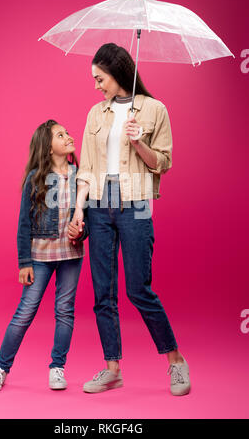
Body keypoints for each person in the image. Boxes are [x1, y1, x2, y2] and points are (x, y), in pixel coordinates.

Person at [70, 43, 191, 396]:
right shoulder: (96, 113)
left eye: (100, 78)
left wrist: (139, 143)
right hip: (98, 204)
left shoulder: (155, 110)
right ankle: (112, 369)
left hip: (136, 201)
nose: (96, 85)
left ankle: (176, 362)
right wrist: (79, 209)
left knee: (139, 289)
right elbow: (87, 168)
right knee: (102, 293)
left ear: (117, 73)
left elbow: (162, 164)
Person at [0, 120, 88, 392]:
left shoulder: (81, 176)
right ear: (47, 146)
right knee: (24, 312)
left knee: (65, 312)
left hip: (71, 255)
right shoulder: (35, 178)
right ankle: (0, 368)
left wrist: (81, 232)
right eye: (60, 135)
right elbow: (24, 224)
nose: (68, 136)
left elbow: (85, 218)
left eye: (67, 132)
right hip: (39, 257)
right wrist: (24, 262)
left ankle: (57, 368)